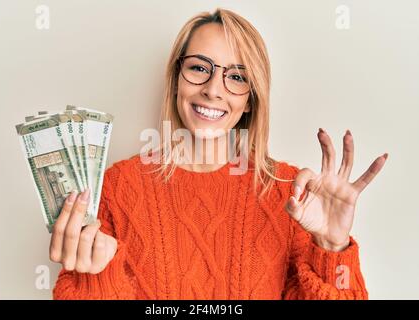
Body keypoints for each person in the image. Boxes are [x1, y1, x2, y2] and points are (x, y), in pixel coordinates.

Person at [51, 8, 388, 300]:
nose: (213, 90)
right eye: (199, 68)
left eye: (237, 77)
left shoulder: (293, 194)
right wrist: (93, 278)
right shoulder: (117, 187)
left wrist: (332, 248)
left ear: (250, 99)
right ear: (175, 79)